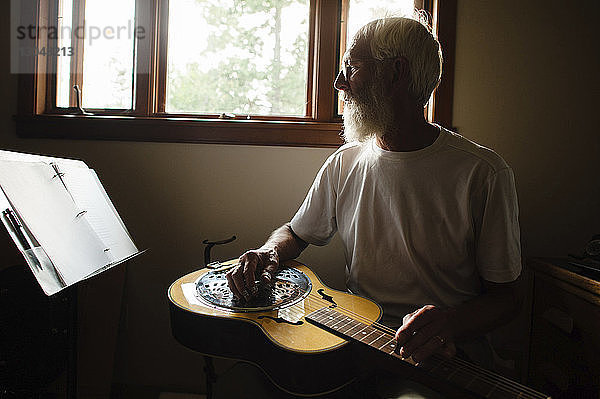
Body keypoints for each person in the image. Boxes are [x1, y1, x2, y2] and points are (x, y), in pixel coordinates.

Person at [227, 15, 523, 397]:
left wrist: (451, 323)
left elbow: (509, 298)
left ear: (396, 73)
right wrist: (269, 252)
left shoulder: (483, 173)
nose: (338, 83)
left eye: (351, 67)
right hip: (354, 337)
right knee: (248, 381)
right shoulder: (345, 162)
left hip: (440, 353)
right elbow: (295, 234)